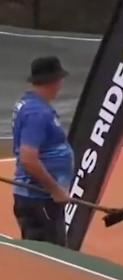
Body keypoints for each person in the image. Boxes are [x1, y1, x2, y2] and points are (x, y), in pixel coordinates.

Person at [11, 56, 73, 247]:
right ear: (54, 81)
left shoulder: (30, 104)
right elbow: (29, 158)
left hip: (38, 197)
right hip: (39, 198)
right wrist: (55, 189)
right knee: (51, 256)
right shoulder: (37, 113)